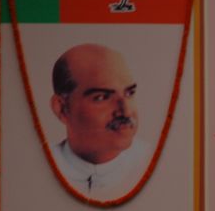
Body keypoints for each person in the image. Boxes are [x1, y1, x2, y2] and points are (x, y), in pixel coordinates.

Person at [49, 43, 150, 194]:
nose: (126, 112)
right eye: (102, 97)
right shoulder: (39, 168)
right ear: (62, 108)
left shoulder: (153, 163)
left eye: (129, 93)